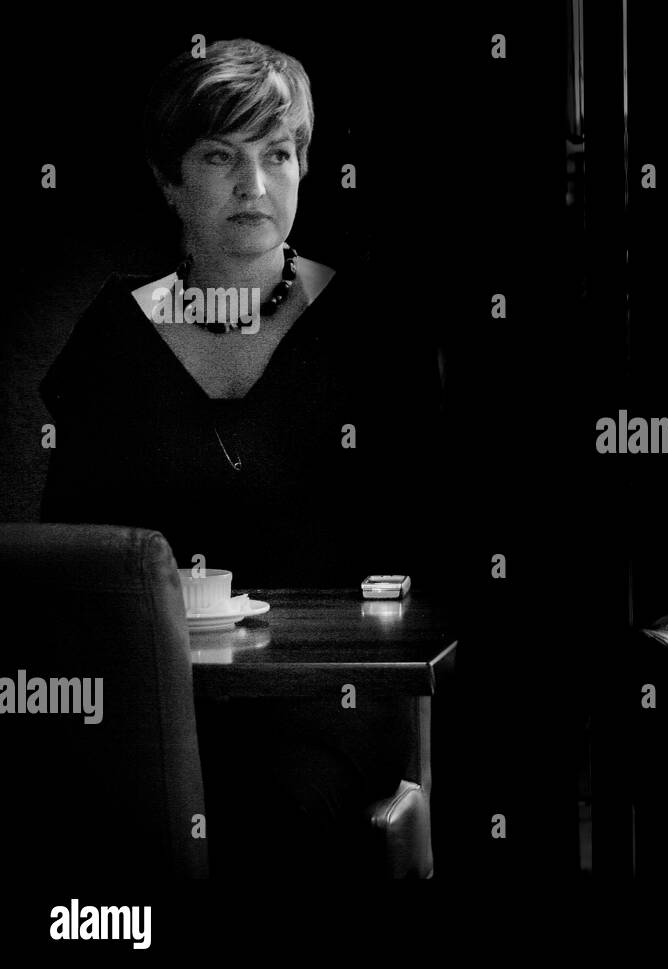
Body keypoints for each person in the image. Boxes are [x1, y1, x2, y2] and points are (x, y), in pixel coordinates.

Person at [39, 38, 423, 877]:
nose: (255, 185)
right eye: (220, 157)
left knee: (266, 809)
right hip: (156, 705)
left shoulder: (366, 333)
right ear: (169, 180)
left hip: (327, 708)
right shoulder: (114, 339)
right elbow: (72, 564)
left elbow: (420, 560)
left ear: (303, 167)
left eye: (277, 154)